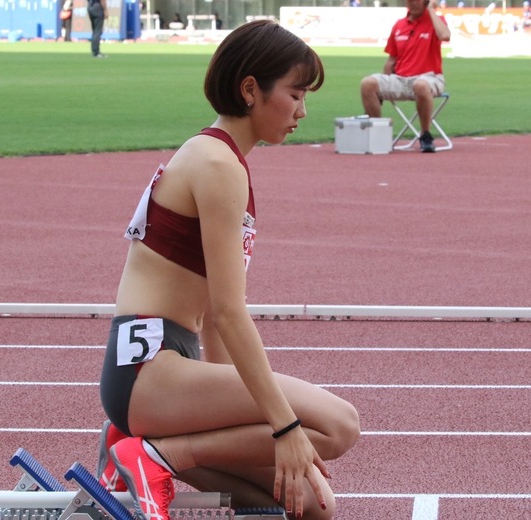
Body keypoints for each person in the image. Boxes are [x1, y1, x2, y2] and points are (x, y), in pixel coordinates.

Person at [97, 19, 360, 520]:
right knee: (338, 426)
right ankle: (157, 452)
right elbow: (230, 312)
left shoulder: (222, 161)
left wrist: (226, 417)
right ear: (250, 90)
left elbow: (216, 321)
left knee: (312, 504)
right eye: (296, 94)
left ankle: (146, 444)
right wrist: (281, 429)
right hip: (148, 369)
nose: (303, 111)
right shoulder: (217, 165)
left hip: (169, 369)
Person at [359, 0, 451, 152]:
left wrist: (431, 10)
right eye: (409, 0)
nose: (412, 3)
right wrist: (384, 84)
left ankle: (425, 135)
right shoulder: (399, 25)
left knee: (420, 85)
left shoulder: (435, 21)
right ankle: (378, 135)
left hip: (430, 77)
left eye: (417, 0)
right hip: (400, 79)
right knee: (367, 83)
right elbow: (391, 60)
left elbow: (445, 35)